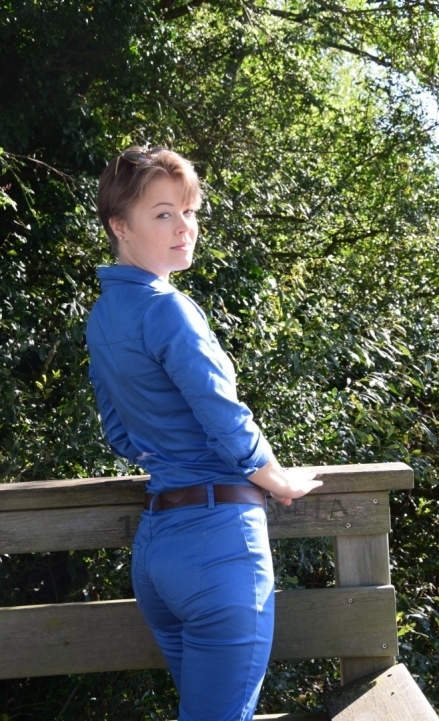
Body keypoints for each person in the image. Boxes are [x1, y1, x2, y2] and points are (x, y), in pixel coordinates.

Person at [86, 146, 322, 721]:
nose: (184, 227)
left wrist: (170, 452)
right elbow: (223, 412)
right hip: (218, 547)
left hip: (157, 552)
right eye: (163, 213)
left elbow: (119, 433)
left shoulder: (103, 316)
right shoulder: (168, 308)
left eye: (189, 212)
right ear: (120, 225)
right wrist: (276, 477)